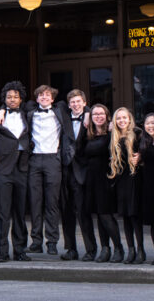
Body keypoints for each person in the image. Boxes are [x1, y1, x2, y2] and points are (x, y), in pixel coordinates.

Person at [0, 80, 30, 262]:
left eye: (15, 97)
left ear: (21, 99)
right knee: (3, 213)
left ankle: (20, 250)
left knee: (20, 213)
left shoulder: (28, 114)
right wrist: (0, 108)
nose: (12, 100)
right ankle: (2, 251)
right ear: (4, 99)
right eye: (8, 97)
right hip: (3, 169)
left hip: (22, 169)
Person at [25, 84, 65, 255]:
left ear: (52, 98)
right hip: (34, 159)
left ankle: (52, 242)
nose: (44, 97)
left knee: (52, 203)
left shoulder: (60, 112)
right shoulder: (30, 113)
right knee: (35, 202)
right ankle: (36, 241)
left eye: (47, 95)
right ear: (37, 98)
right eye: (41, 95)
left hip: (52, 159)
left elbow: (79, 107)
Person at [80, 104, 122, 263]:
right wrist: (85, 117)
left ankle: (118, 248)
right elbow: (79, 150)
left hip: (106, 178)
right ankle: (105, 249)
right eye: (95, 114)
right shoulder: (88, 134)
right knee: (98, 214)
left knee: (106, 214)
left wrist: (114, 129)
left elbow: (133, 132)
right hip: (91, 179)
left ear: (107, 116)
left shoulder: (112, 133)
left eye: (101, 114)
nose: (98, 117)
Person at [59, 89, 95, 262]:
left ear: (85, 103)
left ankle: (91, 249)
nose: (75, 104)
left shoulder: (91, 117)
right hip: (64, 170)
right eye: (72, 102)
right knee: (66, 213)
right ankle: (71, 249)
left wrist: (88, 113)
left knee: (83, 212)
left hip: (81, 172)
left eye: (78, 101)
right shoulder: (64, 116)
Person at [110, 106, 144, 264]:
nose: (122, 121)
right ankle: (130, 250)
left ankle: (140, 250)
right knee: (125, 216)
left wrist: (141, 157)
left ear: (130, 119)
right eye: (118, 118)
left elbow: (148, 148)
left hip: (134, 179)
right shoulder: (114, 136)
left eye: (124, 118)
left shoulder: (138, 133)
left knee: (134, 215)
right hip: (121, 180)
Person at [138, 113, 154, 264]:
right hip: (147, 184)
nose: (150, 126)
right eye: (147, 123)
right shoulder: (143, 141)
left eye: (153, 123)